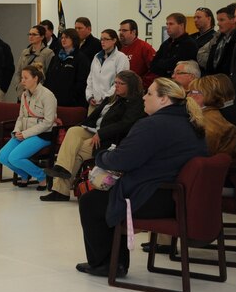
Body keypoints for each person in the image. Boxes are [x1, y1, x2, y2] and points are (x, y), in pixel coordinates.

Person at [76, 78, 207, 277]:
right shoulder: (191, 123)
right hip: (177, 197)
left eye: (150, 94)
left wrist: (100, 156)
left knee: (91, 202)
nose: (144, 97)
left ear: (164, 100)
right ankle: (113, 262)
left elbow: (122, 160)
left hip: (153, 197)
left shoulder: (152, 125)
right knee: (101, 199)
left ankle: (106, 263)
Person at [42, 70, 145, 202]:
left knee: (77, 151)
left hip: (108, 137)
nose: (116, 86)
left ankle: (60, 190)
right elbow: (94, 116)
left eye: (121, 83)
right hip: (93, 130)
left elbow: (125, 124)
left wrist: (101, 133)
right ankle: (61, 168)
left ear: (130, 85)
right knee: (73, 130)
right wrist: (84, 125)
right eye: (116, 82)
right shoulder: (112, 98)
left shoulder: (135, 102)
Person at [0, 64, 57, 189]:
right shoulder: (24, 95)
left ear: (35, 78)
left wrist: (25, 134)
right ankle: (25, 175)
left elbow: (48, 122)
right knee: (2, 157)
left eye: (25, 78)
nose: (22, 80)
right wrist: (17, 130)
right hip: (24, 133)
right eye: (22, 78)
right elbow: (21, 117)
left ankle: (41, 176)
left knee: (14, 157)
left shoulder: (48, 95)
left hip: (42, 135)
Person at [188, 75, 236, 158]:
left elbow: (199, 155)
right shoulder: (210, 115)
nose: (188, 96)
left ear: (205, 94)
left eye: (191, 92)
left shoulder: (207, 123)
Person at [85, 29, 130, 112]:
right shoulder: (97, 57)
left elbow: (119, 83)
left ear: (114, 40)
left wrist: (105, 98)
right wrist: (89, 96)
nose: (102, 42)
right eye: (101, 39)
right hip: (93, 103)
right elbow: (91, 78)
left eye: (106, 39)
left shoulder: (121, 58)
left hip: (110, 103)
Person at [44, 28, 89, 108]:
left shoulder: (81, 58)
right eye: (62, 37)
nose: (63, 40)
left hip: (71, 103)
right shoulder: (56, 57)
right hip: (53, 100)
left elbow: (82, 81)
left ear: (74, 39)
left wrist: (72, 97)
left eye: (67, 37)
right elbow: (49, 78)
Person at [150, 12, 198, 79]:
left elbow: (175, 65)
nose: (168, 27)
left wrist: (162, 63)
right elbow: (153, 65)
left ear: (181, 25)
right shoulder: (166, 44)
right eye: (167, 24)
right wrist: (165, 64)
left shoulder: (189, 44)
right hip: (164, 80)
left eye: (171, 24)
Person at [13, 24, 55, 99]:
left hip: (38, 93)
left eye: (34, 34)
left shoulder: (48, 53)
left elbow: (49, 75)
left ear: (42, 37)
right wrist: (17, 86)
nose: (31, 36)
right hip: (22, 91)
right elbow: (18, 71)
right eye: (29, 34)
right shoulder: (25, 52)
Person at [117, 19, 156, 90]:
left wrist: (142, 84)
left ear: (133, 32)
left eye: (124, 30)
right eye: (120, 30)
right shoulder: (117, 47)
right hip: (119, 88)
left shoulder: (144, 47)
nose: (121, 33)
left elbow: (155, 69)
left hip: (137, 89)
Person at [205, 3, 236, 75]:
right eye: (218, 20)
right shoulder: (220, 38)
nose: (218, 23)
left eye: (222, 20)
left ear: (233, 20)